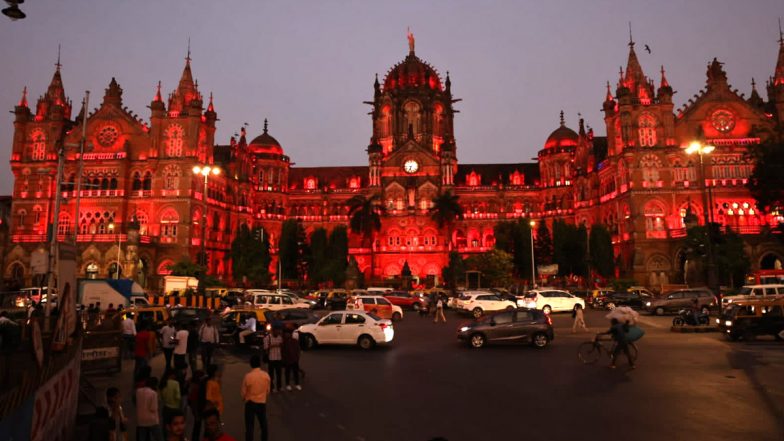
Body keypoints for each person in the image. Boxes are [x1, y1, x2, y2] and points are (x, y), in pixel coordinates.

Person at [241, 354, 270, 441]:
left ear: (251, 364)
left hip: (250, 403)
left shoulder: (248, 376)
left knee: (249, 427)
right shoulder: (266, 375)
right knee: (263, 425)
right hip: (261, 403)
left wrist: (244, 398)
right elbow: (268, 390)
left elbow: (243, 392)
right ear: (259, 364)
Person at [136, 376, 162, 441]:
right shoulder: (153, 393)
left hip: (141, 419)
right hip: (152, 420)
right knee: (158, 438)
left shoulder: (138, 391)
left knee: (142, 438)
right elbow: (153, 408)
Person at [188, 369, 208, 441]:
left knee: (198, 426)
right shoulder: (196, 387)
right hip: (198, 409)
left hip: (198, 408)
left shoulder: (194, 384)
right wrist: (196, 414)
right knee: (198, 426)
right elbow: (194, 402)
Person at [263, 326, 283, 393]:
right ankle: (272, 388)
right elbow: (265, 348)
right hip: (271, 359)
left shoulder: (280, 337)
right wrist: (273, 345)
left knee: (279, 374)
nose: (277, 332)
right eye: (276, 331)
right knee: (271, 375)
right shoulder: (267, 338)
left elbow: (282, 346)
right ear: (272, 331)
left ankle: (279, 387)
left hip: (279, 358)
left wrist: (281, 345)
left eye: (278, 331)